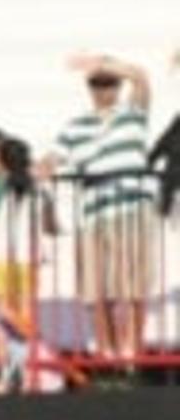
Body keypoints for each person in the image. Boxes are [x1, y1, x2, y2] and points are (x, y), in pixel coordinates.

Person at [39, 54, 157, 375]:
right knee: (96, 287)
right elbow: (51, 159)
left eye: (109, 83)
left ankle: (130, 350)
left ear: (118, 86)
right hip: (92, 213)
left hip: (130, 208)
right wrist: (37, 171)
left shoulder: (133, 114)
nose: (104, 89)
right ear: (88, 89)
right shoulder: (76, 126)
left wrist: (103, 61)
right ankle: (107, 349)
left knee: (131, 284)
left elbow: (141, 75)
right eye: (97, 83)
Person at [0, 127, 66, 396]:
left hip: (6, 258)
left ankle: (12, 372)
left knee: (4, 317)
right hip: (26, 259)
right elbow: (53, 225)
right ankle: (24, 372)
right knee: (19, 316)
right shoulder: (35, 186)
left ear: (4, 161)